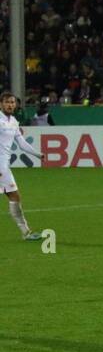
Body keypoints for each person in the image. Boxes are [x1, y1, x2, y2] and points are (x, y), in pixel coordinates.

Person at [0, 92, 45, 241]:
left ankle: (26, 232)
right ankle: (26, 232)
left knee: (14, 196)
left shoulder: (13, 121)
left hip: (4, 165)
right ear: (1, 104)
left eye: (12, 102)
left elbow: (22, 143)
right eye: (7, 102)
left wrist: (38, 154)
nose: (10, 105)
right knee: (14, 196)